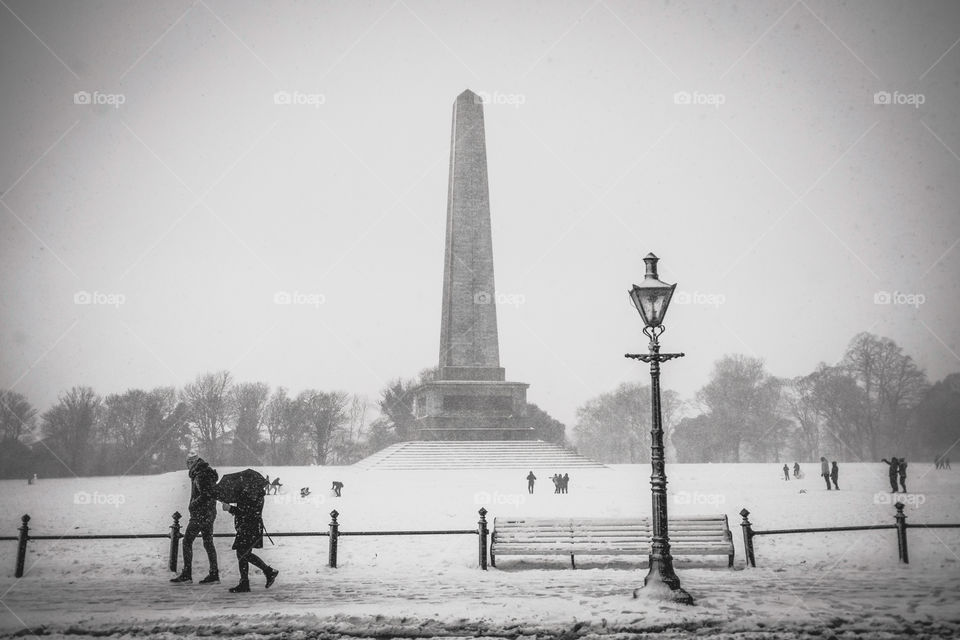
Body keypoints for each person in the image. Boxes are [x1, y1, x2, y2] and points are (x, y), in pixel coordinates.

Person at [171, 453, 220, 584]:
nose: (187, 466)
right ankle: (214, 574)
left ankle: (187, 574)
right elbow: (210, 494)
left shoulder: (199, 475)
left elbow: (205, 494)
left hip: (200, 514)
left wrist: (193, 504)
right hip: (209, 513)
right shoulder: (206, 473)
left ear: (191, 463)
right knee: (208, 542)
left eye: (188, 463)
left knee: (187, 541)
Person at [221, 483, 278, 593]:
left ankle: (267, 572)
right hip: (250, 528)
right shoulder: (255, 494)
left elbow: (246, 512)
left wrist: (230, 509)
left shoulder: (253, 495)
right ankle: (245, 582)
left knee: (243, 553)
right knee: (242, 553)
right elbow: (247, 511)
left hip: (248, 528)